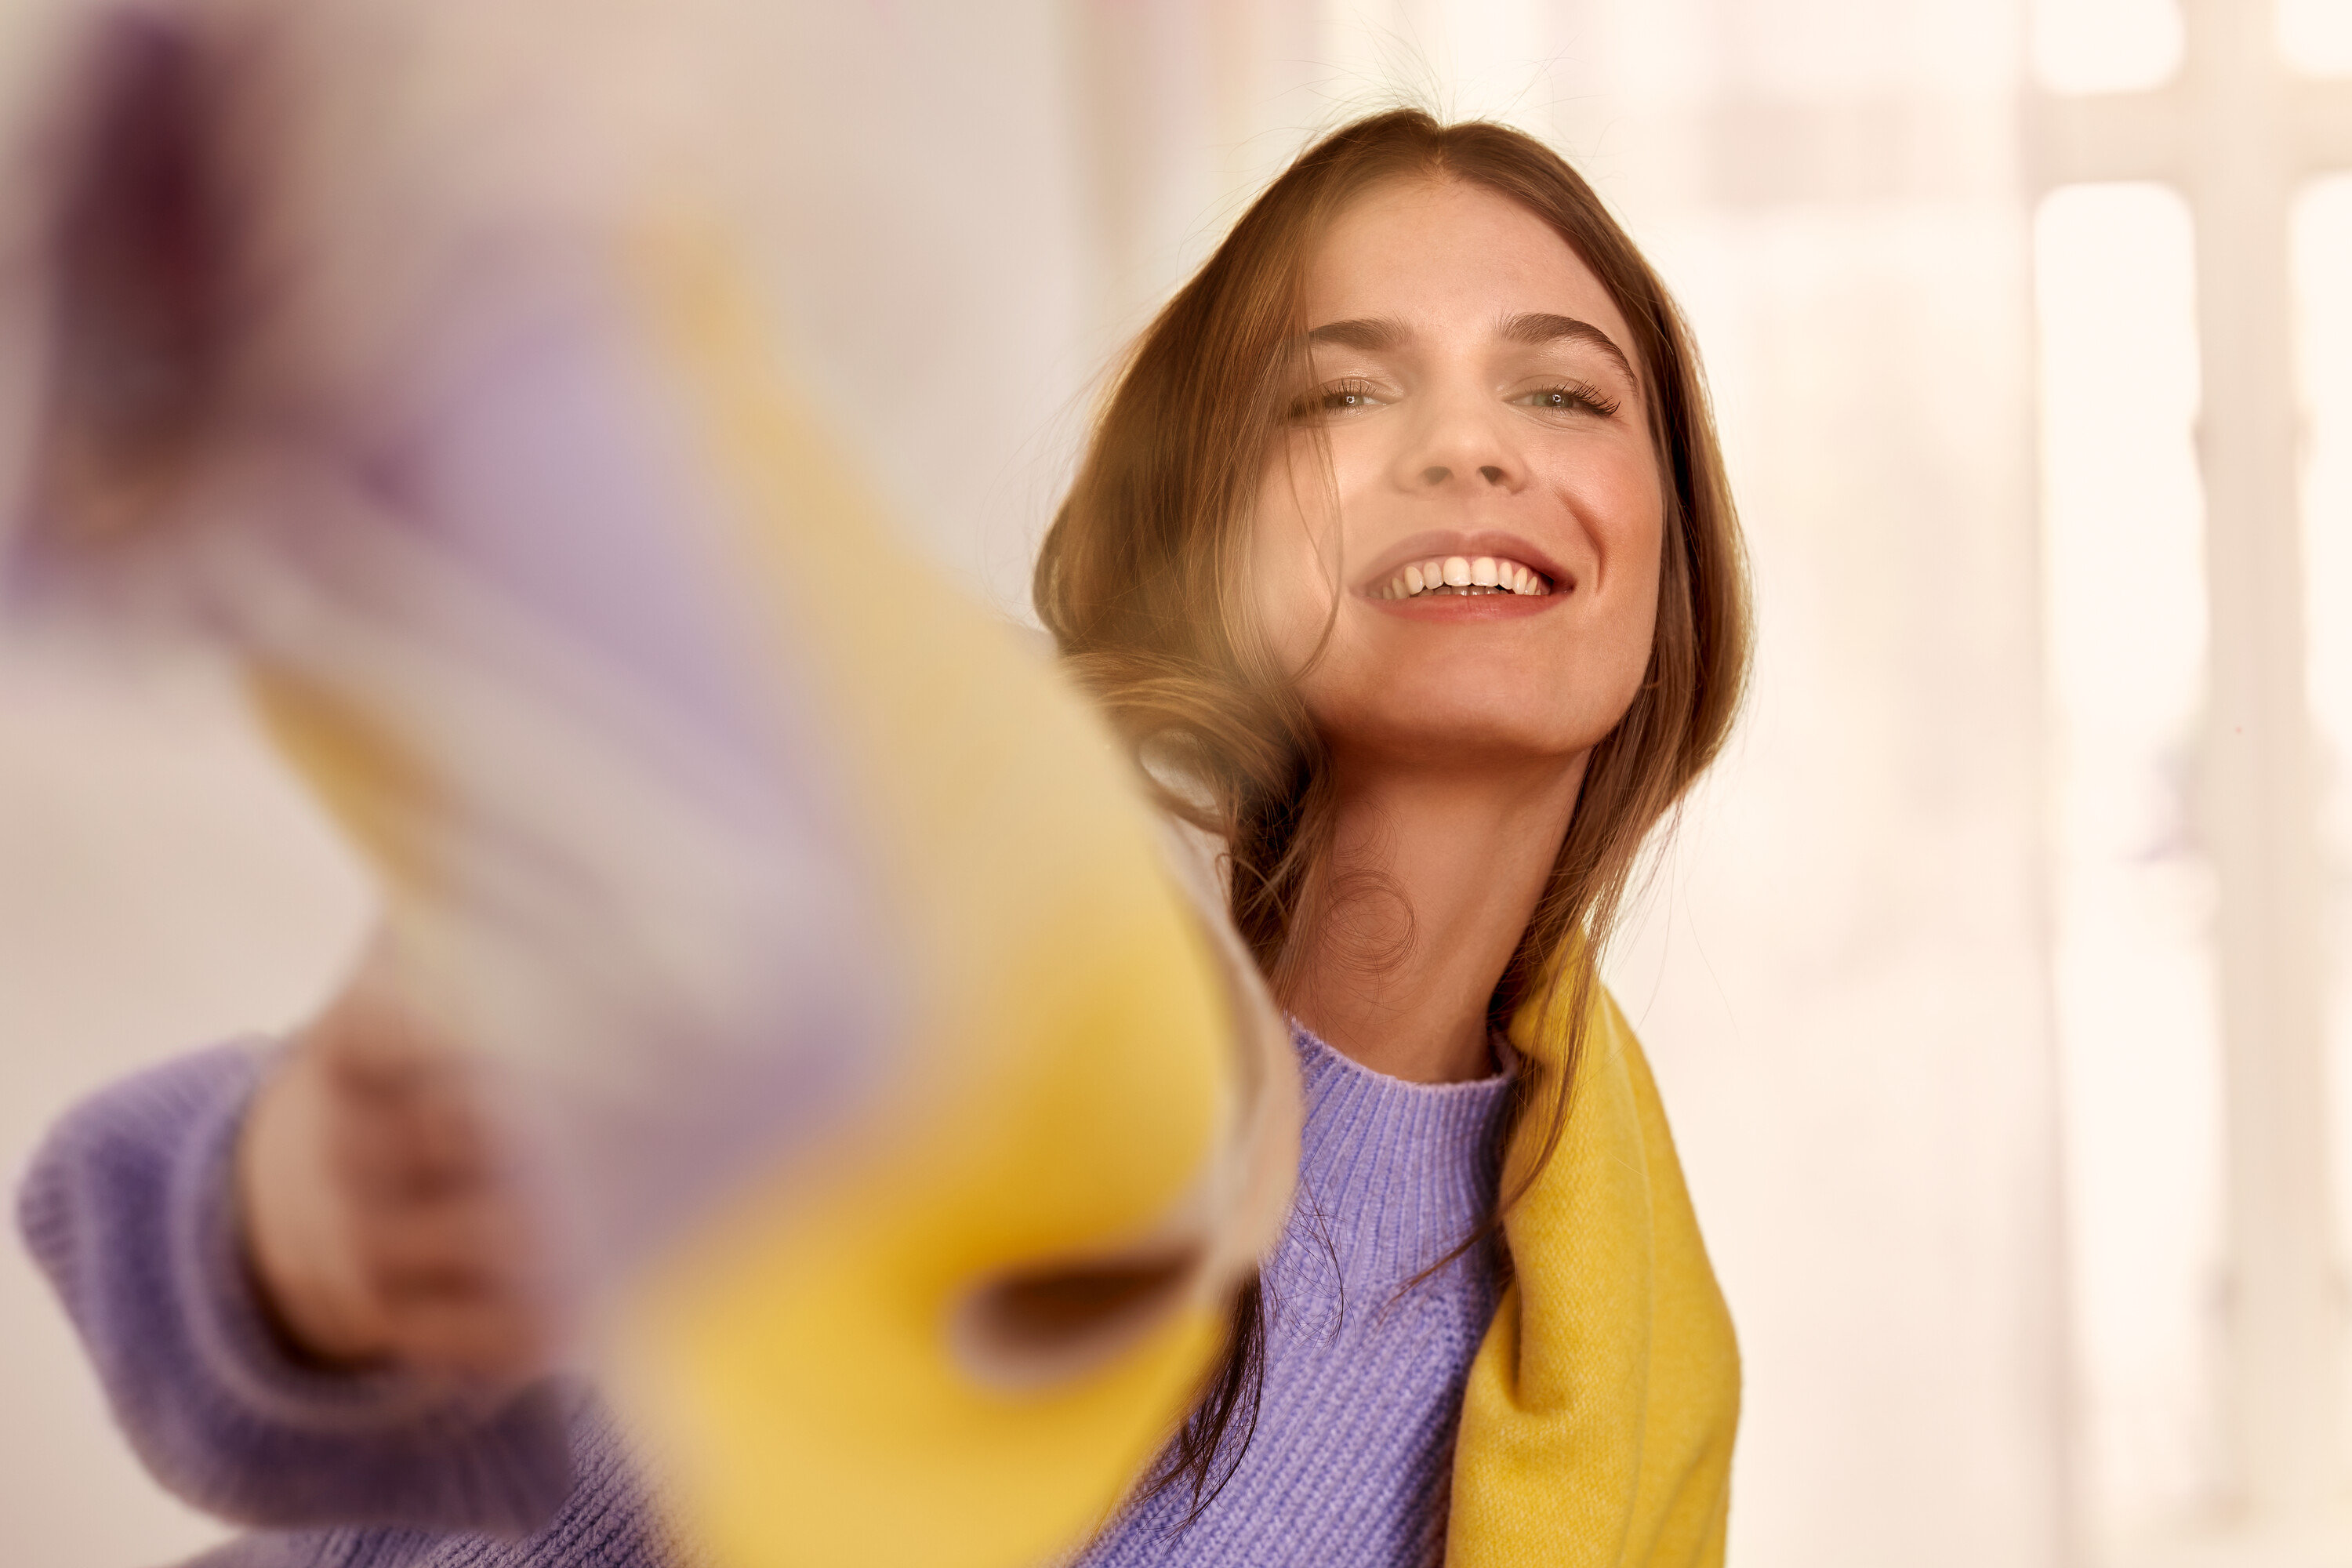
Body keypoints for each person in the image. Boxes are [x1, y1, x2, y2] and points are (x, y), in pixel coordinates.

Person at [17, 108, 1748, 1568]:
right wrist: (303, 1234)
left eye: (1564, 395)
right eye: (1340, 398)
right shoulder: (952, 880)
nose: (1468, 450)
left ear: (1667, 543)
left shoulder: (1603, 1363)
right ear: (1201, 523)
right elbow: (181, 1239)